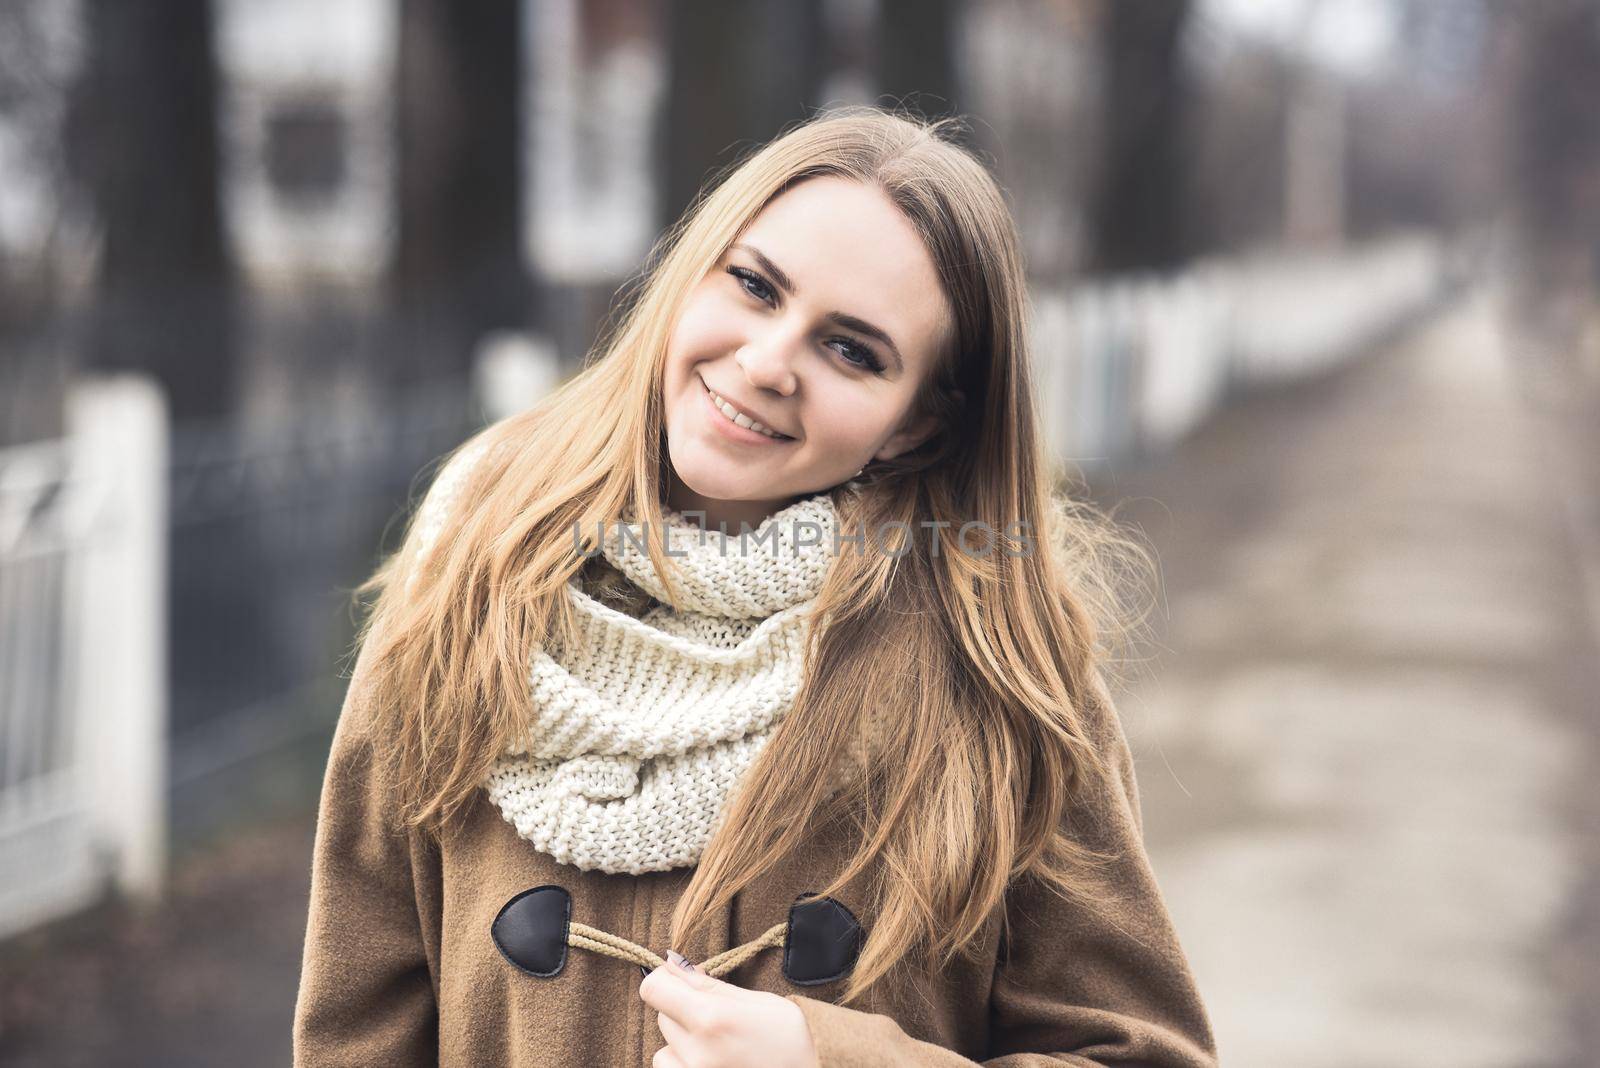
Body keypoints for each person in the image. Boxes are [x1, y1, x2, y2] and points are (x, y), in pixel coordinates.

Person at [292, 105, 1219, 1067]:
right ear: (692, 272)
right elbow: (356, 1028)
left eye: (852, 351)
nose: (768, 362)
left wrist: (836, 1061)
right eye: (753, 285)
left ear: (917, 426)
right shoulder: (472, 568)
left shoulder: (996, 659)